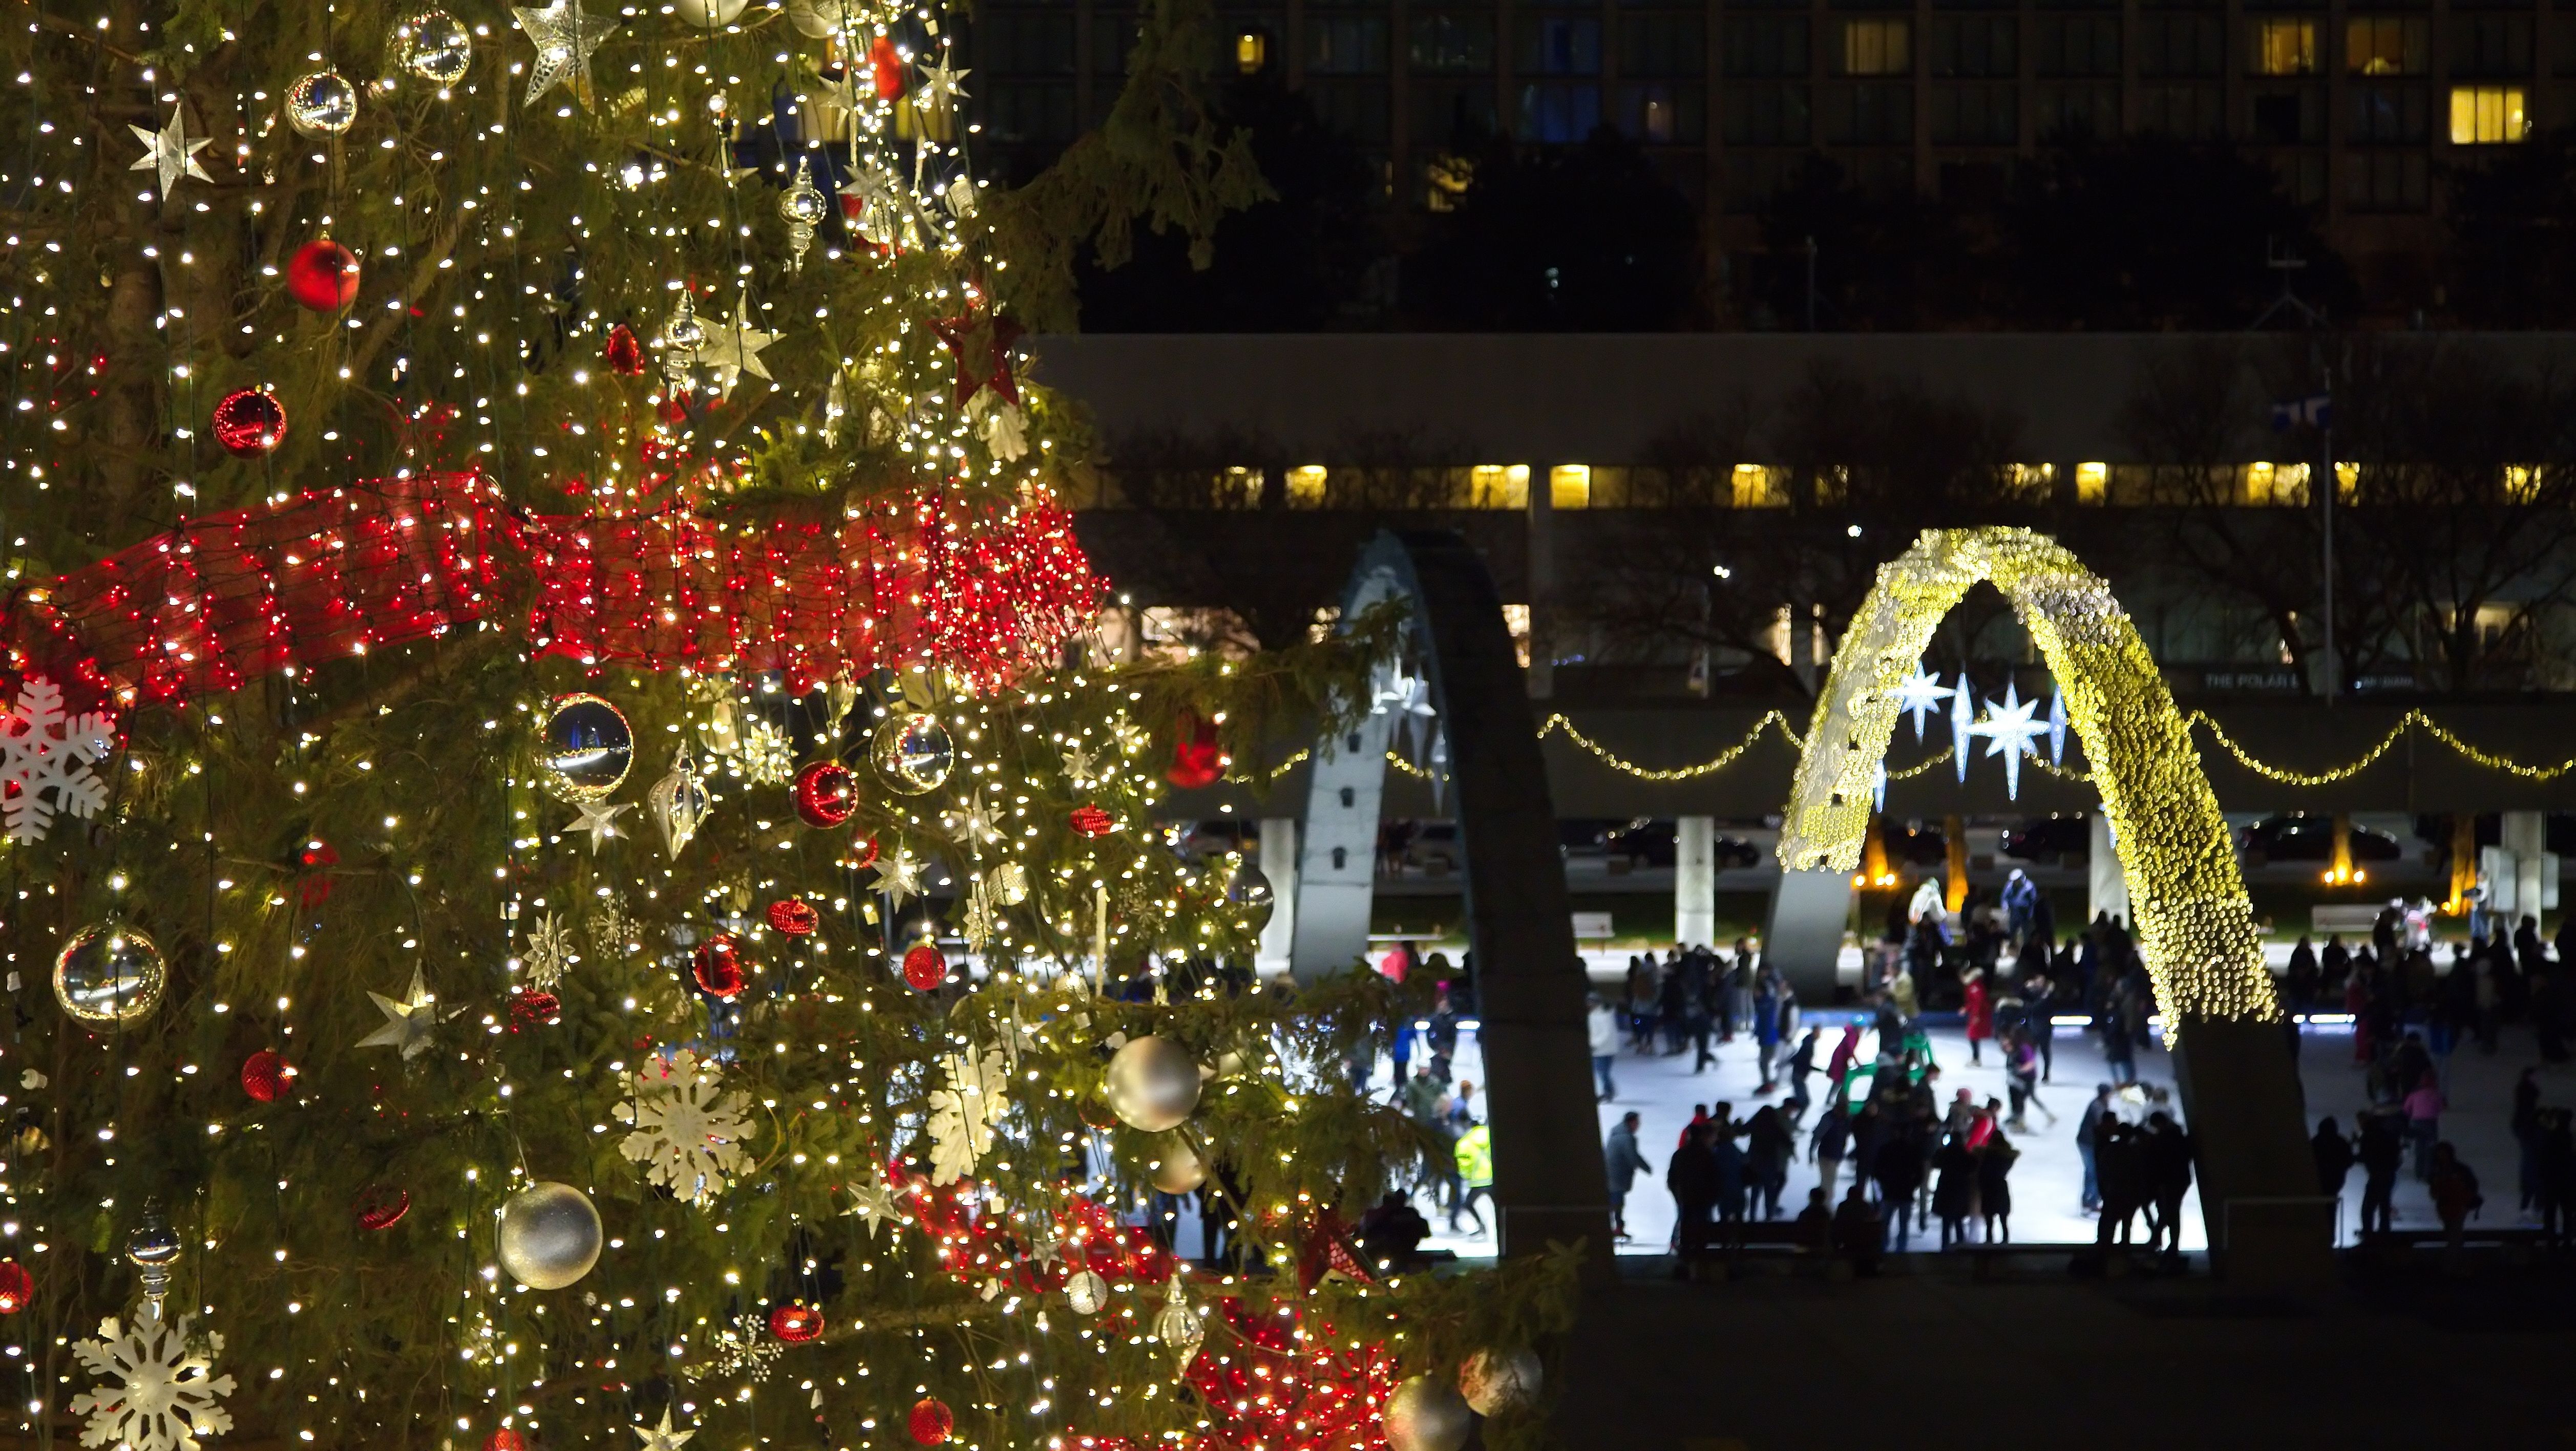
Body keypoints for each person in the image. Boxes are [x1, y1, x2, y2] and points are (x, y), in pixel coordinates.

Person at [2142, 1111, 2193, 1256]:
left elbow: (2161, 1163)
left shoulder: (2164, 1139)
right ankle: (2170, 1245)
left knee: (2168, 1213)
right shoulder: (2178, 1135)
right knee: (2172, 1212)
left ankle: (2159, 1241)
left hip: (2170, 1181)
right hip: (2180, 1180)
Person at [1665, 1121, 1718, 1262]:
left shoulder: (1680, 1154)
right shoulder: (1707, 1155)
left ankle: (1685, 1254)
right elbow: (1713, 1177)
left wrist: (1677, 1195)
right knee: (1701, 1225)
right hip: (1702, 1197)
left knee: (1685, 1224)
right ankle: (1700, 1254)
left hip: (1685, 1196)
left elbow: (1671, 1178)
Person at [1873, 1119, 1925, 1251]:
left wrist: (1883, 1182)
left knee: (1885, 1223)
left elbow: (1877, 1170)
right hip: (1906, 1192)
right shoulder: (1913, 1150)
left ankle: (1883, 1248)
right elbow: (1920, 1172)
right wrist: (1913, 1185)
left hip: (1889, 1191)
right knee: (1904, 1225)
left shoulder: (1886, 1149)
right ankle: (1901, 1250)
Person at [2426, 1142, 2482, 1260]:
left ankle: (2453, 1258)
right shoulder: (2439, 1171)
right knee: (2453, 1231)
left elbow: (2471, 1185)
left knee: (2454, 1232)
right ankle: (2455, 1258)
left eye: (2444, 1154)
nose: (2442, 1156)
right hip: (2446, 1205)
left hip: (2457, 1204)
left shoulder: (2456, 1170)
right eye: (2440, 1154)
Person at [1603, 1112, 1651, 1242]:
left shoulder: (1616, 1134)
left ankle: (1617, 1227)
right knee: (1617, 1203)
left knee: (1615, 1202)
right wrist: (1647, 1168)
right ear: (1631, 1122)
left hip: (1612, 1174)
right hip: (1618, 1176)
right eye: (1637, 1123)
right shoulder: (1626, 1138)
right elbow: (1633, 1157)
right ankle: (1617, 1228)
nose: (1638, 1126)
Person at [2357, 1108, 2403, 1236]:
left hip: (2377, 1176)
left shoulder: (2368, 1136)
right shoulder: (2386, 1134)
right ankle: (2385, 1235)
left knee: (2368, 1209)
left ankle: (2368, 1235)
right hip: (2388, 1174)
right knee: (2384, 1206)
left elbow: (2364, 1156)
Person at [1355, 1191, 1431, 1268]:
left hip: (1393, 1250)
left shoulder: (1404, 1213)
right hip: (1388, 1247)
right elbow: (1380, 1225)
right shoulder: (1402, 1213)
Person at [1745, 1105, 1793, 1219]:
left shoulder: (1755, 1124)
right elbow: (1787, 1142)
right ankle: (1768, 1218)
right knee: (1769, 1195)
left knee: (1755, 1194)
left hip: (1755, 1165)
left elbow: (1742, 1131)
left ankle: (1752, 1218)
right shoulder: (1775, 1127)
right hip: (1770, 1166)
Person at [1932, 1132, 1977, 1249]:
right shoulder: (1965, 1155)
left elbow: (1935, 1163)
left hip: (1946, 1190)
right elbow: (1974, 1166)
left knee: (1946, 1225)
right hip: (1960, 1191)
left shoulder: (1945, 1153)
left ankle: (1945, 1249)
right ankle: (1961, 1249)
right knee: (1959, 1223)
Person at [1451, 1121, 1493, 1237]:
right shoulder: (1493, 1137)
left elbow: (1463, 1165)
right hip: (1493, 1178)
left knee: (1469, 1204)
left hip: (1478, 1180)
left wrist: (1466, 1176)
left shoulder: (1465, 1143)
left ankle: (1480, 1227)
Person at [1831, 1183, 1883, 1276]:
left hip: (1846, 1240)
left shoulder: (1843, 1206)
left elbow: (1837, 1223)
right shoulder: (1866, 1206)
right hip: (1864, 1241)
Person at [2076, 1083, 2113, 1213]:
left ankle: (2089, 1200)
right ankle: (2090, 1202)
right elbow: (2100, 1124)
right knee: (2093, 1172)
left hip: (2089, 1141)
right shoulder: (2098, 1107)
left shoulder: (2099, 1104)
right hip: (2088, 1142)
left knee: (2092, 1172)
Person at [2403, 1072, 2446, 1181]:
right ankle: (2428, 1173)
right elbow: (2441, 1108)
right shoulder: (2436, 1094)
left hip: (2417, 1122)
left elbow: (2406, 1108)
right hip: (2430, 1123)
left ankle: (2419, 1172)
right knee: (2430, 1148)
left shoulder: (2415, 1094)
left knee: (2419, 1147)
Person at [1979, 1128, 2018, 1244]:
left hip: (1989, 1187)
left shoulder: (1988, 1155)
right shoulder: (2007, 1156)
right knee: (2003, 1220)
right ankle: (2005, 1242)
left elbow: (1983, 1171)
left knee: (1989, 1222)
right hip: (2001, 1187)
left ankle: (1989, 1243)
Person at [1810, 1101, 1852, 1205]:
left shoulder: (1843, 1120)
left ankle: (1820, 1203)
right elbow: (1817, 1135)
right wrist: (1810, 1152)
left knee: (1827, 1182)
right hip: (1827, 1155)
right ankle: (1825, 1206)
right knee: (1828, 1183)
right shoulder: (1830, 1119)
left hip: (1833, 1155)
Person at [2311, 1116, 2355, 1202]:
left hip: (2318, 1179)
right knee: (2331, 1205)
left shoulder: (2316, 1142)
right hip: (2336, 1181)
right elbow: (2349, 1161)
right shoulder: (2341, 1142)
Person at [1586, 995, 1620, 1102]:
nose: (1588, 1005)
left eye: (1590, 1002)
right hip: (1603, 1049)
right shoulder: (1596, 1014)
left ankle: (1609, 1092)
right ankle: (1608, 1091)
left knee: (1603, 1072)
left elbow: (1607, 1033)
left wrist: (1594, 1044)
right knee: (1603, 1072)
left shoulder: (1603, 1015)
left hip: (1603, 1049)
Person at [1785, 1027, 1820, 1122]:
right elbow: (1805, 1063)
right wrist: (1821, 1070)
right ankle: (1792, 1123)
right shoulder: (1808, 1046)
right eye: (1819, 1032)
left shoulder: (1808, 1043)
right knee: (1805, 1102)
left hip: (1799, 1076)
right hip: (1799, 1077)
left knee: (1799, 1101)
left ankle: (1791, 1122)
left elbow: (1798, 1059)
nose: (1820, 1035)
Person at [1963, 969, 1994, 1066]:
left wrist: (1977, 1015)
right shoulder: (1975, 986)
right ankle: (1976, 1058)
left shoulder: (1976, 987)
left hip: (1979, 1015)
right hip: (1978, 1014)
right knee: (1973, 1036)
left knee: (1973, 1035)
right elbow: (1973, 1002)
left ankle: (1976, 1059)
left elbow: (1978, 1002)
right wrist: (1966, 1008)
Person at [1793, 1187, 1833, 1255]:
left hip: (1806, 1246)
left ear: (1811, 1197)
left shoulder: (1805, 1213)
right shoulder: (1826, 1214)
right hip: (1822, 1246)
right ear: (1823, 1198)